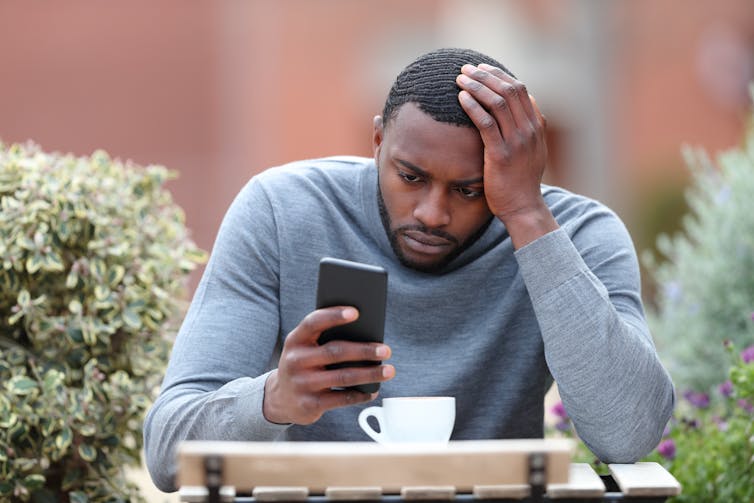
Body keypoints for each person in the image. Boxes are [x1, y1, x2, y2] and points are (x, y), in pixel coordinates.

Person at [143, 47, 675, 492]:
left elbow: (627, 435)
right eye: (410, 176)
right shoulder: (281, 213)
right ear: (377, 141)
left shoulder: (577, 234)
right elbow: (167, 454)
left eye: (469, 190)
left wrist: (526, 213)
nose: (432, 214)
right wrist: (272, 401)